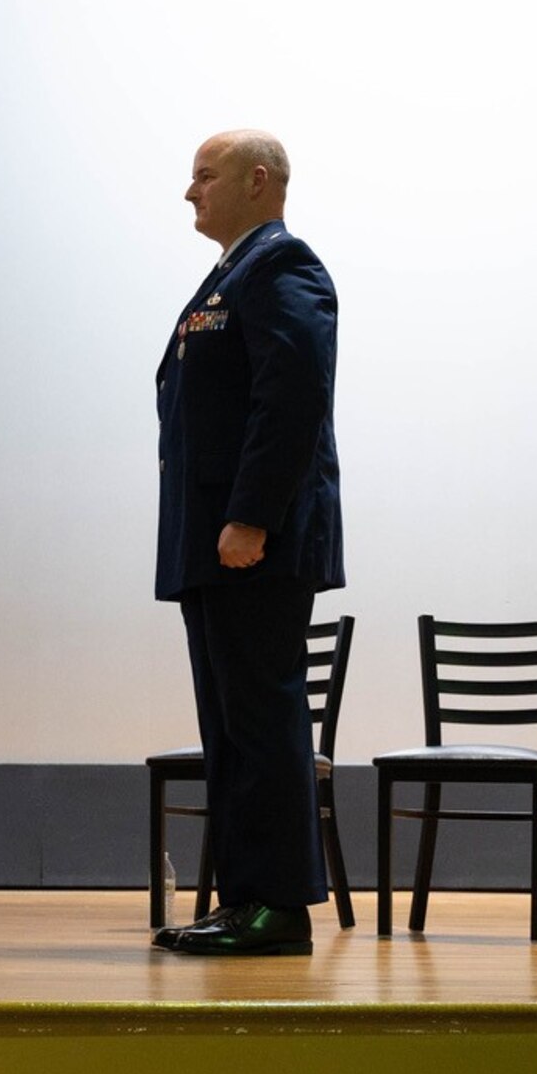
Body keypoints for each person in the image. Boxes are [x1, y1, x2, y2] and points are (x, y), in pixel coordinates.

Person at [151, 129, 344, 957]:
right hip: (212, 539)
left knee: (264, 721)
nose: (189, 192)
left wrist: (253, 515)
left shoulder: (285, 267)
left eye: (204, 175)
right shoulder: (230, 273)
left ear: (258, 181)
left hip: (252, 539)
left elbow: (290, 398)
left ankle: (281, 907)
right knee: (230, 725)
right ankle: (242, 899)